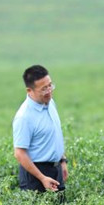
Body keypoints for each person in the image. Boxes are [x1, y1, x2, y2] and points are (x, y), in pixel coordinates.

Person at [13, 65, 69, 194]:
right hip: (35, 176)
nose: (49, 91)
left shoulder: (50, 103)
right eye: (43, 89)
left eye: (50, 85)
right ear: (29, 90)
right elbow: (19, 153)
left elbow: (54, 136)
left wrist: (62, 161)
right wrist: (42, 178)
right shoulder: (24, 117)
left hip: (55, 169)